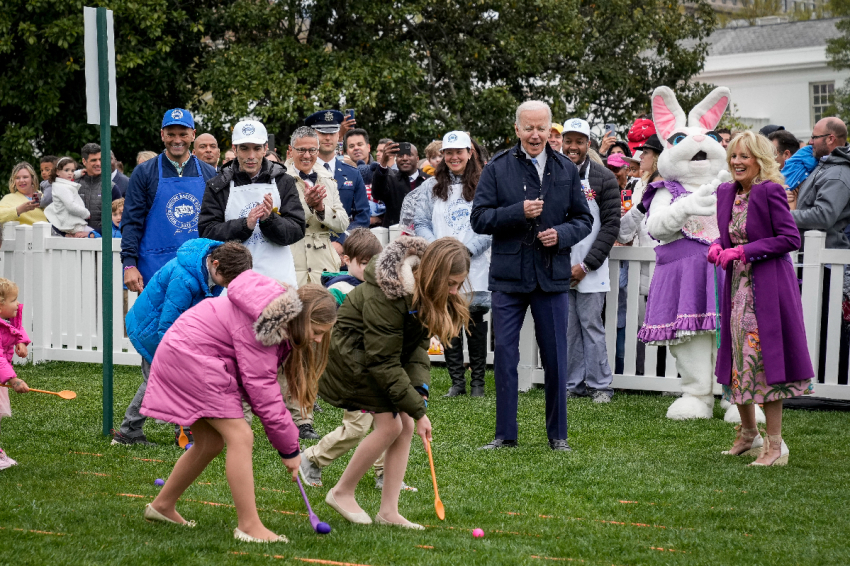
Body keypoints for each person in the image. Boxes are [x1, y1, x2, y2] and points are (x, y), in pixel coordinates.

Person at [140, 273, 336, 542]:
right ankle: (249, 526)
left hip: (190, 355)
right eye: (317, 332)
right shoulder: (267, 326)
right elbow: (263, 392)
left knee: (210, 442)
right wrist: (290, 449)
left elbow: (256, 385)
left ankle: (162, 506)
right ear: (303, 319)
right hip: (191, 359)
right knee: (240, 436)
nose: (316, 340)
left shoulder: (273, 318)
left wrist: (287, 444)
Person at [319, 237, 467, 528]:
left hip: (377, 358)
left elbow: (415, 348)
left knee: (406, 424)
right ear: (433, 274)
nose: (453, 292)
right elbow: (382, 360)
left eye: (458, 285)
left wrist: (419, 392)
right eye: (450, 283)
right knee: (391, 425)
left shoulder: (423, 292)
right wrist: (419, 411)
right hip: (353, 359)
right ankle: (341, 491)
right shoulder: (388, 293)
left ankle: (389, 511)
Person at [471, 101, 593, 451]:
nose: (536, 134)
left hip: (552, 275)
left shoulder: (566, 169)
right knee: (506, 358)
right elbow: (479, 218)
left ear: (550, 130)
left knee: (556, 359)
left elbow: (583, 220)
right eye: (529, 128)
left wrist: (563, 235)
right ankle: (505, 436)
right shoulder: (497, 167)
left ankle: (558, 436)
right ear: (517, 130)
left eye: (542, 128)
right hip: (509, 276)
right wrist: (517, 212)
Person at [709, 131, 814, 466]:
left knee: (764, 362)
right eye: (734, 156)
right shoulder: (726, 192)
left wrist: (743, 250)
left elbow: (789, 238)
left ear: (760, 160)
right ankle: (747, 433)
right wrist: (717, 246)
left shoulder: (770, 191)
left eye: (745, 156)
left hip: (767, 288)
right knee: (738, 360)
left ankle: (774, 445)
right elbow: (727, 234)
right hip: (736, 289)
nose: (737, 162)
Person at [300, 229, 417, 492]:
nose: (368, 268)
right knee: (356, 428)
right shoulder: (339, 290)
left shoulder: (383, 291)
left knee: (392, 424)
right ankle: (311, 458)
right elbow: (333, 336)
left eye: (372, 261)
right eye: (362, 263)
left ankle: (385, 474)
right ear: (347, 260)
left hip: (378, 369)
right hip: (354, 372)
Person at [112, 240, 253, 446]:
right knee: (155, 380)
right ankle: (127, 433)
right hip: (151, 330)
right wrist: (171, 355)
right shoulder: (184, 279)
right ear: (214, 264)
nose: (228, 285)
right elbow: (166, 323)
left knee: (189, 377)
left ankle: (187, 430)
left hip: (174, 330)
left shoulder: (210, 274)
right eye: (228, 280)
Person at [415, 131, 492, 397]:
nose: (454, 157)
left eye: (459, 152)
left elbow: (489, 225)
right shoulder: (430, 186)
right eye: (449, 152)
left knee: (474, 319)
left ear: (470, 153)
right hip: (442, 265)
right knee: (447, 320)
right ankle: (457, 382)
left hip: (474, 262)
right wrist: (440, 253)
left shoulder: (486, 183)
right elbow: (421, 222)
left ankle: (478, 382)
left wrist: (465, 253)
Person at [199, 120, 306, 288]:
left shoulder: (283, 181)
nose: (251, 156)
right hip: (231, 280)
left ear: (265, 148)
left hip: (277, 277)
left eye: (256, 148)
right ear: (234, 149)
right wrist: (244, 225)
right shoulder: (218, 185)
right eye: (244, 148)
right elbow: (207, 232)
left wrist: (269, 220)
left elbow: (297, 229)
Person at [121, 110, 218, 293]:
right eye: (171, 134)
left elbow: (217, 223)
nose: (177, 140)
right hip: (155, 268)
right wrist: (129, 264)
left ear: (193, 135)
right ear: (162, 135)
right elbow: (132, 221)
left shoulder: (209, 173)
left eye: (183, 134)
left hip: (198, 267)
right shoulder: (144, 172)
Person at [561, 118, 620, 403]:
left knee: (591, 325)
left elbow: (610, 226)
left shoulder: (604, 177)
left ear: (588, 144)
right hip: (560, 264)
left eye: (579, 141)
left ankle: (601, 386)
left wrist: (586, 265)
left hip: (591, 267)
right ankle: (574, 384)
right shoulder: (550, 175)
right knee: (568, 327)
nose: (573, 147)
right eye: (568, 141)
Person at [285, 126, 349, 287]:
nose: (307, 155)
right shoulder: (280, 179)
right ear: (291, 150)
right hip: (292, 261)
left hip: (324, 263)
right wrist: (308, 205)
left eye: (312, 150)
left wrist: (321, 209)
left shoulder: (328, 179)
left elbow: (342, 224)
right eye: (301, 150)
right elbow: (280, 222)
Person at [305, 110, 370, 255]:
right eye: (322, 133)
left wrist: (342, 243)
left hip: (344, 254)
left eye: (333, 133)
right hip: (308, 251)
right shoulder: (299, 172)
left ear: (338, 136)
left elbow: (363, 217)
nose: (328, 138)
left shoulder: (353, 174)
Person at [790, 117, 850, 249]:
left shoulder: (837, 174)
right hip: (812, 256)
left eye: (814, 137)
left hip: (825, 262)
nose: (810, 142)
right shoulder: (825, 165)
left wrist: (784, 215)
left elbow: (823, 216)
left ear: (830, 139)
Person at [0, 278, 30, 470]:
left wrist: (21, 341)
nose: (17, 304)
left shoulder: (6, 320)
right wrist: (13, 378)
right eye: (13, 300)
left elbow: (14, 329)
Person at [371, 142, 430, 227]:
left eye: (409, 155)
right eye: (400, 156)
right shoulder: (390, 179)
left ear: (417, 159)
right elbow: (377, 194)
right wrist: (383, 162)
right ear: (396, 159)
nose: (405, 158)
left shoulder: (429, 181)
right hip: (395, 234)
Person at [77, 143, 121, 235]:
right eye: (94, 160)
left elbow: (120, 219)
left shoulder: (112, 187)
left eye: (101, 159)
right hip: (72, 243)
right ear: (84, 161)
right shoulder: (73, 185)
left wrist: (93, 233)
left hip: (102, 243)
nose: (98, 163)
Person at [44, 156, 93, 237]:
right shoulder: (62, 188)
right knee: (96, 236)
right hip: (72, 224)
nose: (70, 173)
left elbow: (68, 177)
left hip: (69, 223)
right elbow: (71, 206)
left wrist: (78, 173)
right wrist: (86, 214)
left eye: (72, 170)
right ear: (57, 172)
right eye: (67, 170)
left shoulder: (60, 183)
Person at [0, 162, 48, 227]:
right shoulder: (9, 198)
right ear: (14, 181)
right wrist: (19, 210)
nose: (21, 180)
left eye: (25, 177)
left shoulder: (44, 195)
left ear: (32, 179)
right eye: (17, 178)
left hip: (52, 235)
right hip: (25, 235)